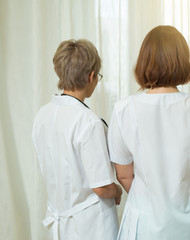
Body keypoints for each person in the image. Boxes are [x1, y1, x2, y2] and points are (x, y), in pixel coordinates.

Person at [108, 25, 190, 240]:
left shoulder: (123, 109)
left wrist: (154, 201)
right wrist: (186, 198)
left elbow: (123, 174)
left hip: (144, 224)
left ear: (143, 61)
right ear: (183, 61)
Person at [32, 39, 122, 240]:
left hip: (62, 221)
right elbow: (101, 186)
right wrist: (116, 190)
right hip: (92, 227)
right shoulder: (87, 121)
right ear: (91, 76)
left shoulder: (42, 115)